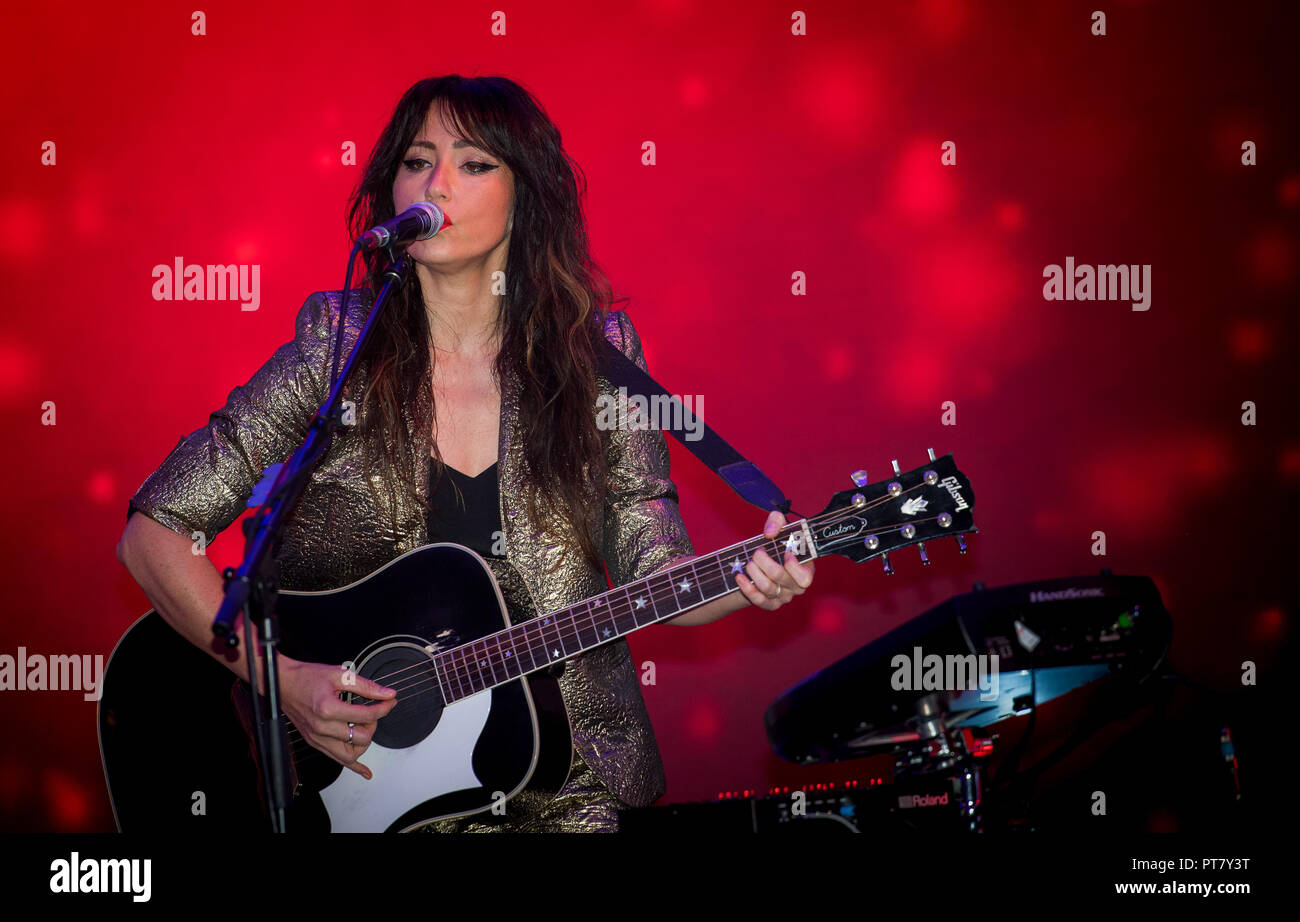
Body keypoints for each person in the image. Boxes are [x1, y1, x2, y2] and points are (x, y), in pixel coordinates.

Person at [116, 74, 816, 832]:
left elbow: (654, 567)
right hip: (367, 799)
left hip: (570, 782)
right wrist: (281, 682)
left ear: (527, 195)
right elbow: (154, 533)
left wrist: (749, 580)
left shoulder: (600, 359)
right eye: (418, 161)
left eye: (475, 163)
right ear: (391, 191)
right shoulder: (336, 344)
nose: (438, 182)